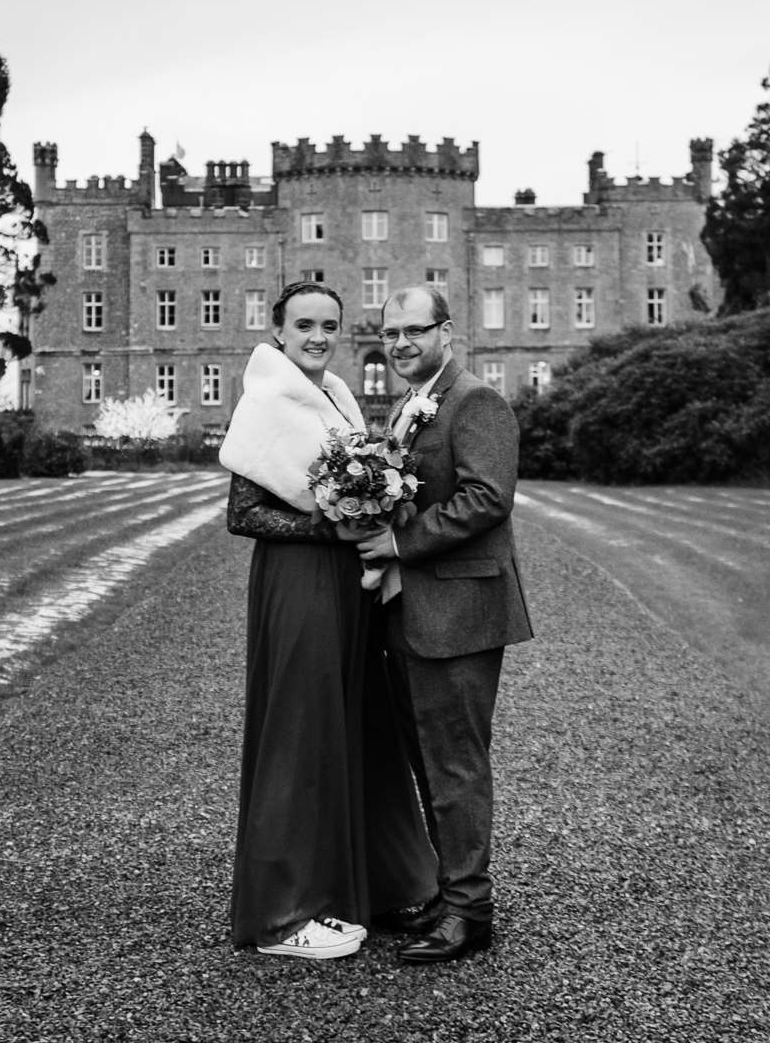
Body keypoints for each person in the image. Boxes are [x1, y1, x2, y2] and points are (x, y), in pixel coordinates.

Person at [218, 281, 437, 959]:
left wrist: (373, 501)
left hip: (348, 587)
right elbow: (244, 514)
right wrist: (331, 526)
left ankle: (372, 882)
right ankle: (283, 915)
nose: (317, 336)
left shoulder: (337, 395)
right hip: (300, 584)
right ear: (278, 332)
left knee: (360, 724)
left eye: (329, 324)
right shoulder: (266, 400)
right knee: (302, 728)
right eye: (304, 324)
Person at [354, 285, 534, 964]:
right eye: (391, 330)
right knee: (429, 758)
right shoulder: (409, 403)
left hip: (459, 610)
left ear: (446, 332)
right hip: (411, 608)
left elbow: (488, 498)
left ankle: (471, 914)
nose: (400, 342)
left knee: (455, 762)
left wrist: (398, 545)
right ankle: (448, 890)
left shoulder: (474, 401)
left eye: (414, 331)